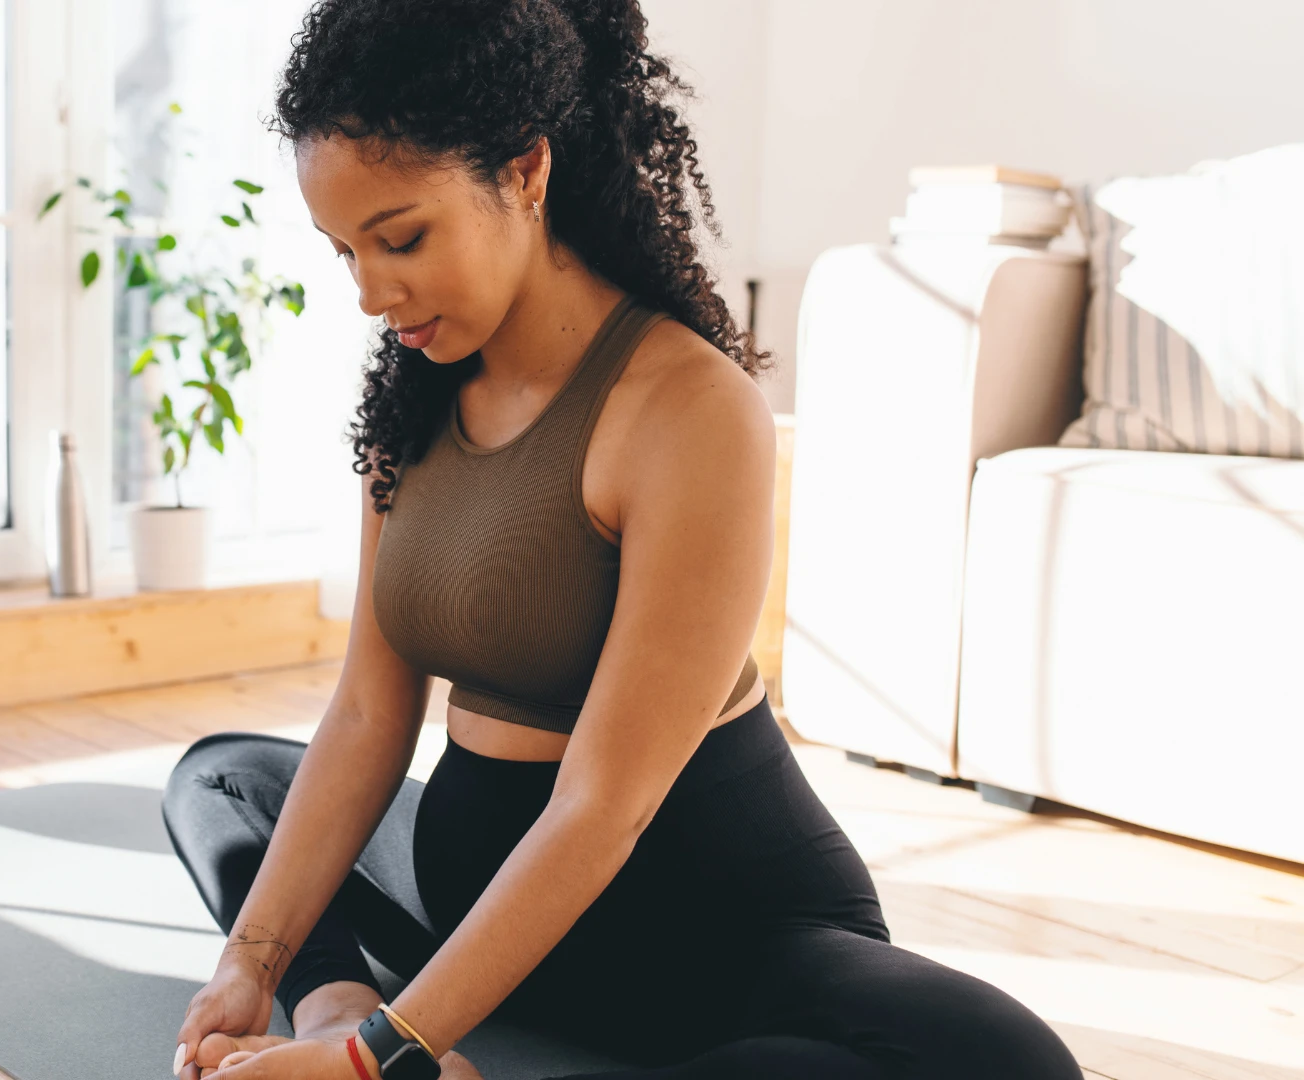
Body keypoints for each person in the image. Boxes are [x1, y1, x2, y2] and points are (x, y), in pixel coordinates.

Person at [161, 1, 1084, 1077]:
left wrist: (386, 1060)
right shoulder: (410, 405)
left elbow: (605, 806)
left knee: (1007, 1062)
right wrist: (263, 970)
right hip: (475, 901)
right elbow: (370, 710)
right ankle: (343, 1014)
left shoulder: (688, 409)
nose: (371, 293)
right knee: (224, 777)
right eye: (344, 251)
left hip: (704, 927)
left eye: (401, 238)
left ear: (525, 172)